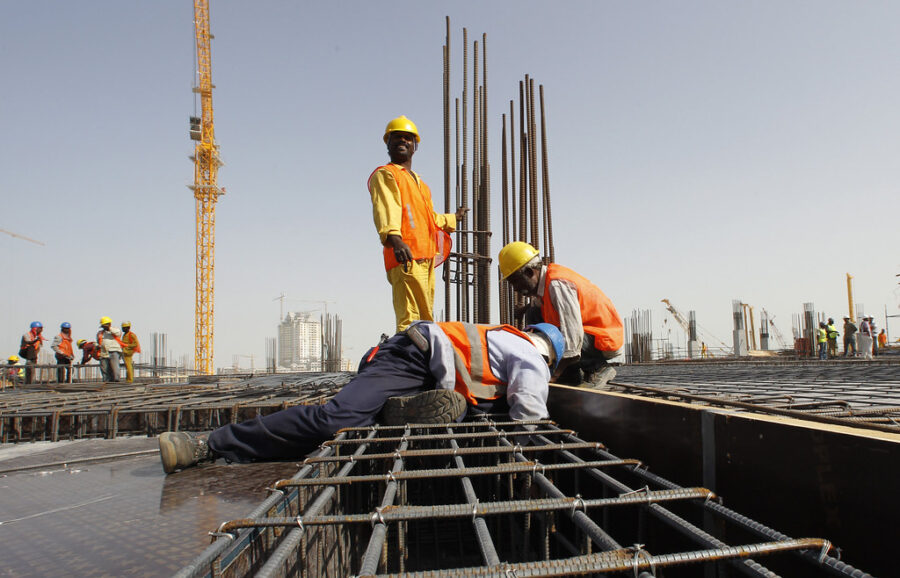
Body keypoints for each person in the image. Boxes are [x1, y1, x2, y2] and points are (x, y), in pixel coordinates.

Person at [158, 321, 563, 474]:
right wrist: (536, 456)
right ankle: (210, 443)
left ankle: (393, 415)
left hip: (428, 379)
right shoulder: (529, 353)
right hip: (409, 359)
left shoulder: (503, 349)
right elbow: (529, 408)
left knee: (360, 434)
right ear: (551, 355)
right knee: (337, 420)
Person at [368, 115, 467, 332]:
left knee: (425, 321)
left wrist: (453, 219)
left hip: (426, 258)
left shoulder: (420, 184)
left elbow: (430, 219)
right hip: (406, 256)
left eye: (407, 138)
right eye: (397, 137)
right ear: (388, 143)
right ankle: (407, 363)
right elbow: (386, 208)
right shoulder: (387, 174)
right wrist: (395, 239)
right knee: (410, 322)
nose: (402, 141)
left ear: (415, 146)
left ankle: (421, 363)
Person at [498, 241, 624, 387]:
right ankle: (571, 375)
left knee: (559, 337)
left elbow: (572, 335)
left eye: (516, 282)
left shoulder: (557, 284)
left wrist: (554, 375)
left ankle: (598, 368)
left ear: (529, 272)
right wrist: (523, 310)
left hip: (602, 338)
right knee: (534, 315)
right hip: (588, 335)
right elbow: (539, 307)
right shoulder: (545, 284)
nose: (516, 288)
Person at [97, 316, 124, 382]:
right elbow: (98, 341)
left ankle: (116, 380)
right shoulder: (100, 333)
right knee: (105, 368)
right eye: (103, 326)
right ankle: (106, 381)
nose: (104, 327)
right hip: (103, 352)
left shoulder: (115, 330)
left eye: (105, 325)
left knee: (115, 368)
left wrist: (109, 328)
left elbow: (117, 333)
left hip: (113, 351)